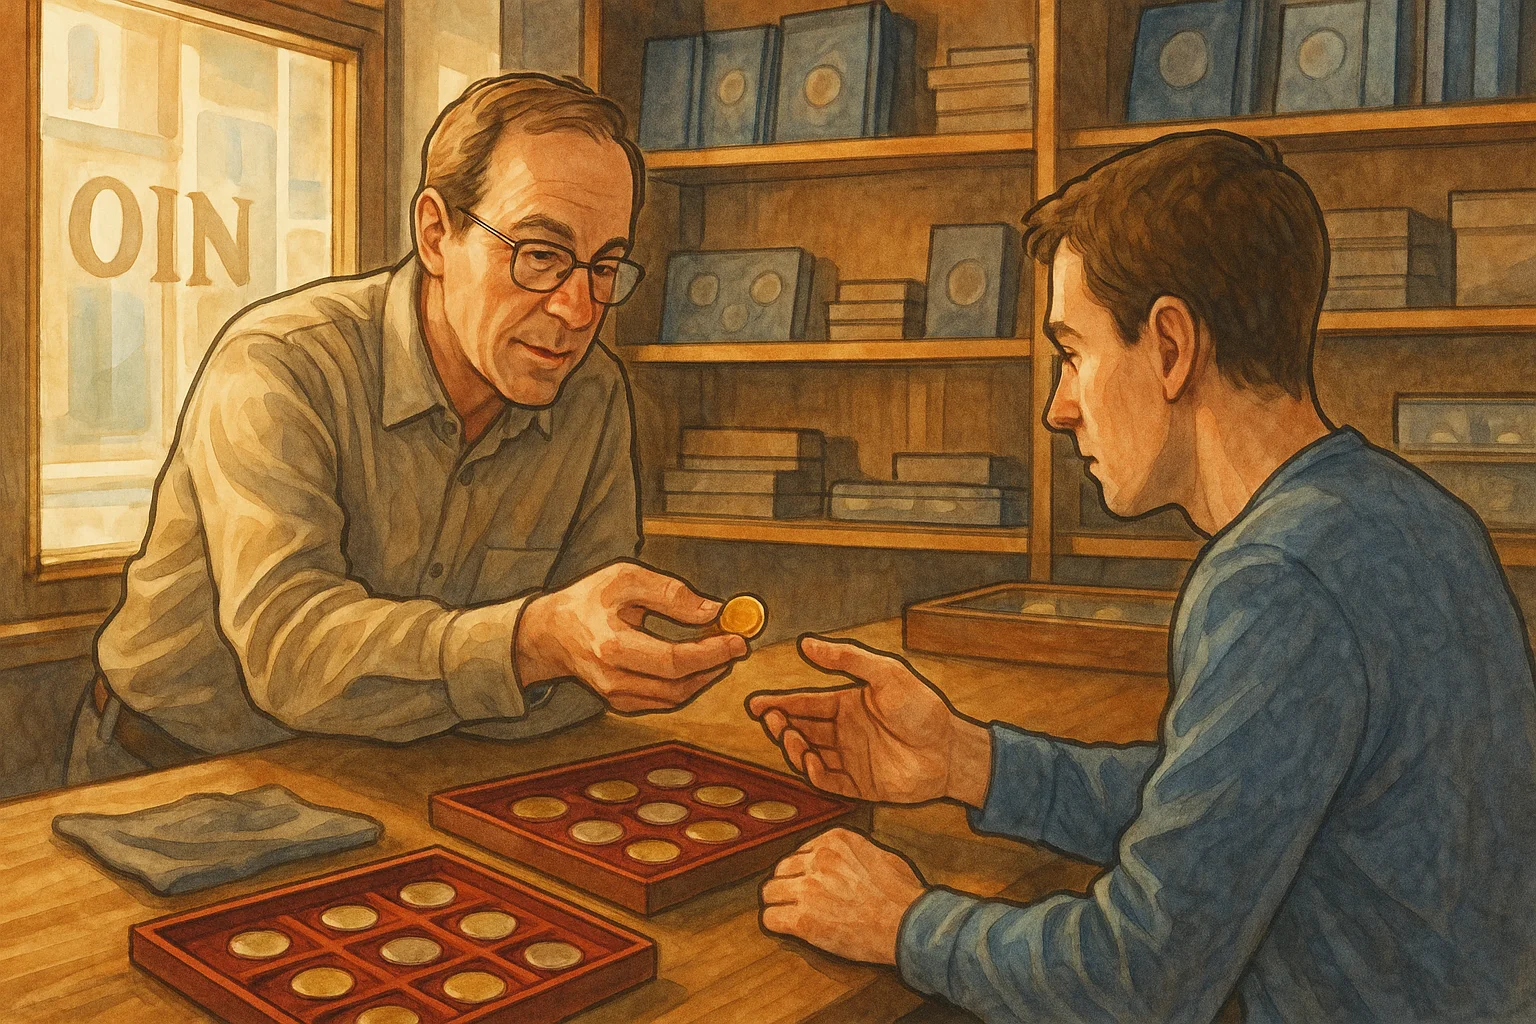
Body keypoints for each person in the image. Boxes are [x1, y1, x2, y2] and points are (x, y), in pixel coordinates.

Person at [746, 131, 1536, 1023]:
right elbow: (1230, 811)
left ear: (1169, 346)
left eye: (1074, 352)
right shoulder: (1403, 515)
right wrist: (969, 761)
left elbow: (1138, 980)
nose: (1058, 405)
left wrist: (902, 923)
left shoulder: (1277, 582)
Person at [69, 73, 747, 785]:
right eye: (541, 255)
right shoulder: (280, 363)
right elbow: (290, 652)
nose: (579, 310)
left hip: (408, 778)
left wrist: (603, 656)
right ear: (435, 234)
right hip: (169, 774)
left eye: (604, 266)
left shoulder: (595, 392)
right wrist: (528, 643)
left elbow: (582, 658)